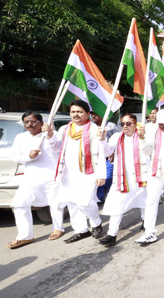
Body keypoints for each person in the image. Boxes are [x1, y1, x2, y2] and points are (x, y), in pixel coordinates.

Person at [6, 112, 65, 249]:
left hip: (51, 175)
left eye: (33, 121)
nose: (29, 125)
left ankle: (58, 228)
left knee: (55, 203)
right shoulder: (20, 137)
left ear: (41, 122)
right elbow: (15, 157)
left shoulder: (51, 134)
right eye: (26, 122)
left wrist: (50, 135)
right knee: (19, 204)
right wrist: (28, 156)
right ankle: (25, 236)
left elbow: (58, 149)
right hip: (30, 177)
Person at [55, 100, 106, 243]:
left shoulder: (94, 130)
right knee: (71, 202)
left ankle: (96, 223)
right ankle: (81, 230)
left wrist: (101, 174)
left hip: (88, 172)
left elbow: (101, 152)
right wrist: (49, 136)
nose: (76, 114)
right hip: (68, 172)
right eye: (73, 112)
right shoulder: (65, 129)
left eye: (79, 112)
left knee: (84, 202)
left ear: (87, 114)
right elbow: (57, 148)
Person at [99, 113, 148, 246]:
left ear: (135, 124)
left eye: (128, 124)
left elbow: (148, 152)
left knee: (144, 202)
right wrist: (103, 140)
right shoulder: (117, 137)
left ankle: (146, 223)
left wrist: (143, 138)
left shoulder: (143, 135)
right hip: (122, 178)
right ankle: (112, 234)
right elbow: (107, 152)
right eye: (122, 124)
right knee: (117, 204)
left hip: (140, 177)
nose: (125, 126)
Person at [136, 109, 164, 245]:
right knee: (150, 202)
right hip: (155, 174)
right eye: (159, 123)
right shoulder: (153, 131)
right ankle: (149, 232)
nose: (161, 126)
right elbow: (147, 152)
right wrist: (142, 139)